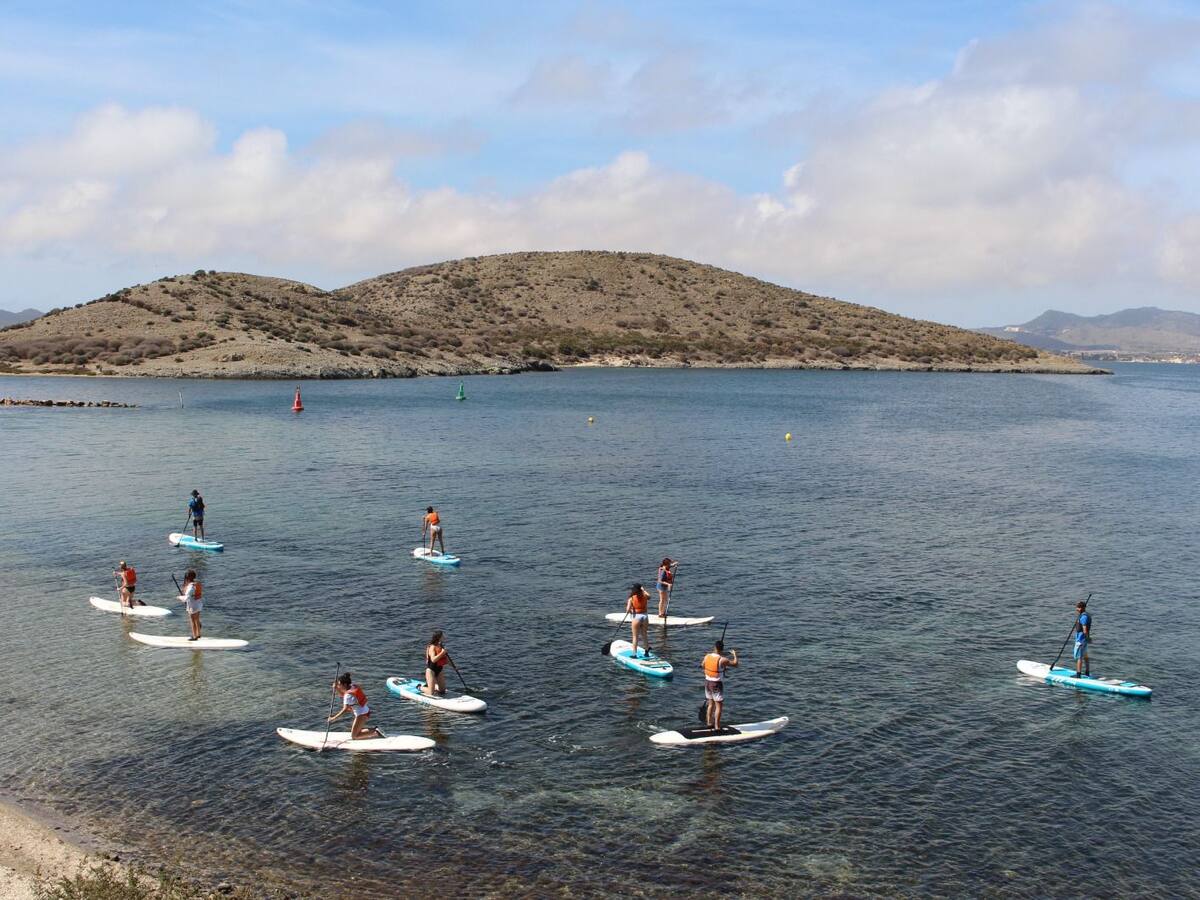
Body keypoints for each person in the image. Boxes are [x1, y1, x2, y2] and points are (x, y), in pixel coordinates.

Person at [328, 673, 383, 740]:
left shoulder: (348, 695)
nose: (338, 686)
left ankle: (375, 731)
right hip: (365, 711)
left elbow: (345, 709)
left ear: (344, 684)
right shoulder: (353, 686)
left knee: (354, 736)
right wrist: (336, 688)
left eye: (339, 684)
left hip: (361, 714)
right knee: (356, 733)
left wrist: (333, 718)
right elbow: (343, 695)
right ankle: (375, 731)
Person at [702, 639, 739, 730]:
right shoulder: (722, 660)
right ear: (722, 649)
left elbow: (702, 665)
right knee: (719, 706)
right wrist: (735, 655)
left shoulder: (707, 656)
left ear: (714, 647)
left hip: (707, 683)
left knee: (711, 704)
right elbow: (735, 664)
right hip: (716, 684)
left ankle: (709, 722)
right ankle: (717, 727)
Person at [625, 583, 651, 657]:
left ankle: (634, 654)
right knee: (644, 635)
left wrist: (630, 611)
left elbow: (627, 610)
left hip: (636, 617)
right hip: (645, 617)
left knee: (635, 636)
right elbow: (649, 597)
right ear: (640, 589)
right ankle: (646, 652)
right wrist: (643, 590)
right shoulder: (645, 596)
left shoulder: (631, 598)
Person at [178, 569, 203, 641]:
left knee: (192, 620)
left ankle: (194, 636)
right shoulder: (197, 584)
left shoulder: (190, 587)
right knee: (197, 619)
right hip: (199, 604)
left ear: (187, 578)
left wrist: (179, 597)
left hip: (193, 605)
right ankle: (198, 634)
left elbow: (186, 597)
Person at [425, 631, 451, 696]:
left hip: (439, 670)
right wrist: (442, 653)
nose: (444, 637)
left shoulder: (441, 646)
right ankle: (419, 687)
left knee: (442, 691)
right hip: (431, 670)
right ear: (438, 637)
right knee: (431, 693)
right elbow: (433, 660)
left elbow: (447, 660)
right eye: (442, 636)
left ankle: (432, 685)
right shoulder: (432, 647)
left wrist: (454, 667)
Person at [1073, 601, 1092, 678]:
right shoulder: (1084, 615)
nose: (1076, 609)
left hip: (1081, 640)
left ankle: (1078, 674)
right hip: (1084, 640)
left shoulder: (1083, 617)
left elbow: (1084, 629)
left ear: (1081, 608)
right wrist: (1087, 638)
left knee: (1079, 657)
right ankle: (1087, 672)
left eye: (1077, 607)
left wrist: (1087, 638)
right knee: (1085, 656)